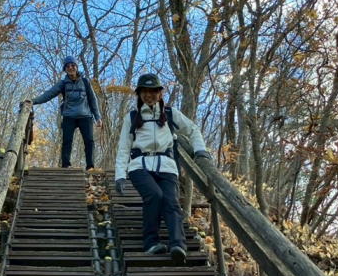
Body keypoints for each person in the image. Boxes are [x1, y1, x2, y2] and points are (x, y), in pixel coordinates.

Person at [114, 73, 209, 264]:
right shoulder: (132, 117)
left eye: (153, 91)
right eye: (144, 92)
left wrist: (200, 150)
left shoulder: (171, 114)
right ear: (139, 94)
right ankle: (151, 242)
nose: (149, 95)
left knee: (171, 201)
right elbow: (124, 146)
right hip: (139, 165)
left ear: (159, 93)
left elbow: (192, 130)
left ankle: (177, 246)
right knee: (154, 196)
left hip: (166, 166)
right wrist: (119, 175)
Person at [27, 56, 102, 169]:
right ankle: (66, 165)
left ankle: (90, 166)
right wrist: (33, 101)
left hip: (85, 116)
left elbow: (92, 100)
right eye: (67, 66)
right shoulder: (63, 84)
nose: (70, 68)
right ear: (65, 69)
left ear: (76, 67)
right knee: (67, 141)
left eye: (72, 65)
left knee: (89, 141)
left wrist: (98, 117)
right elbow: (49, 94)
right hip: (69, 116)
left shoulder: (85, 82)